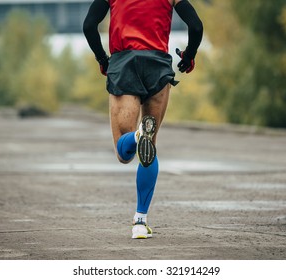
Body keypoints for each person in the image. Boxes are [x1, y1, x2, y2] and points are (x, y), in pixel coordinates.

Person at [83, 0, 203, 239]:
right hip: (157, 65)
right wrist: (188, 56)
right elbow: (196, 26)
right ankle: (140, 222)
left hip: (123, 64)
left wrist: (102, 59)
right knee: (150, 147)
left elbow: (89, 26)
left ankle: (137, 135)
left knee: (123, 153)